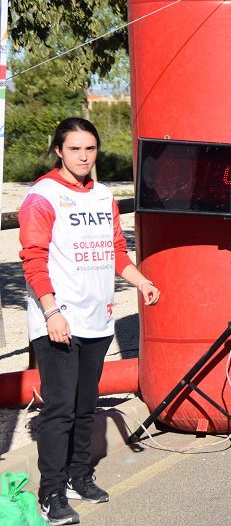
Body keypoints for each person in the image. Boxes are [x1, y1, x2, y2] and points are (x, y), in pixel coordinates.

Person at [18, 118, 161, 525]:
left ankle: (80, 476)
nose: (83, 156)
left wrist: (142, 281)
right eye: (75, 148)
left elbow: (115, 250)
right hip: (59, 320)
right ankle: (51, 493)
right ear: (59, 151)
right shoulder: (41, 197)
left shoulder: (102, 195)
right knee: (59, 409)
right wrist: (50, 311)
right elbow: (32, 259)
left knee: (85, 406)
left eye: (90, 149)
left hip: (98, 319)